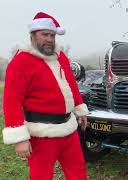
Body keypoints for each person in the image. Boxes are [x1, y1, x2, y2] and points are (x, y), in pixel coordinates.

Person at [2, 12, 88, 180]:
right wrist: (19, 139)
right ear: (33, 35)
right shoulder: (21, 62)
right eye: (45, 35)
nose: (49, 39)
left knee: (77, 172)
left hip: (68, 130)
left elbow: (71, 83)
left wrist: (80, 109)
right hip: (41, 134)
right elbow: (11, 100)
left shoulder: (60, 56)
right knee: (41, 176)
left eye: (52, 35)